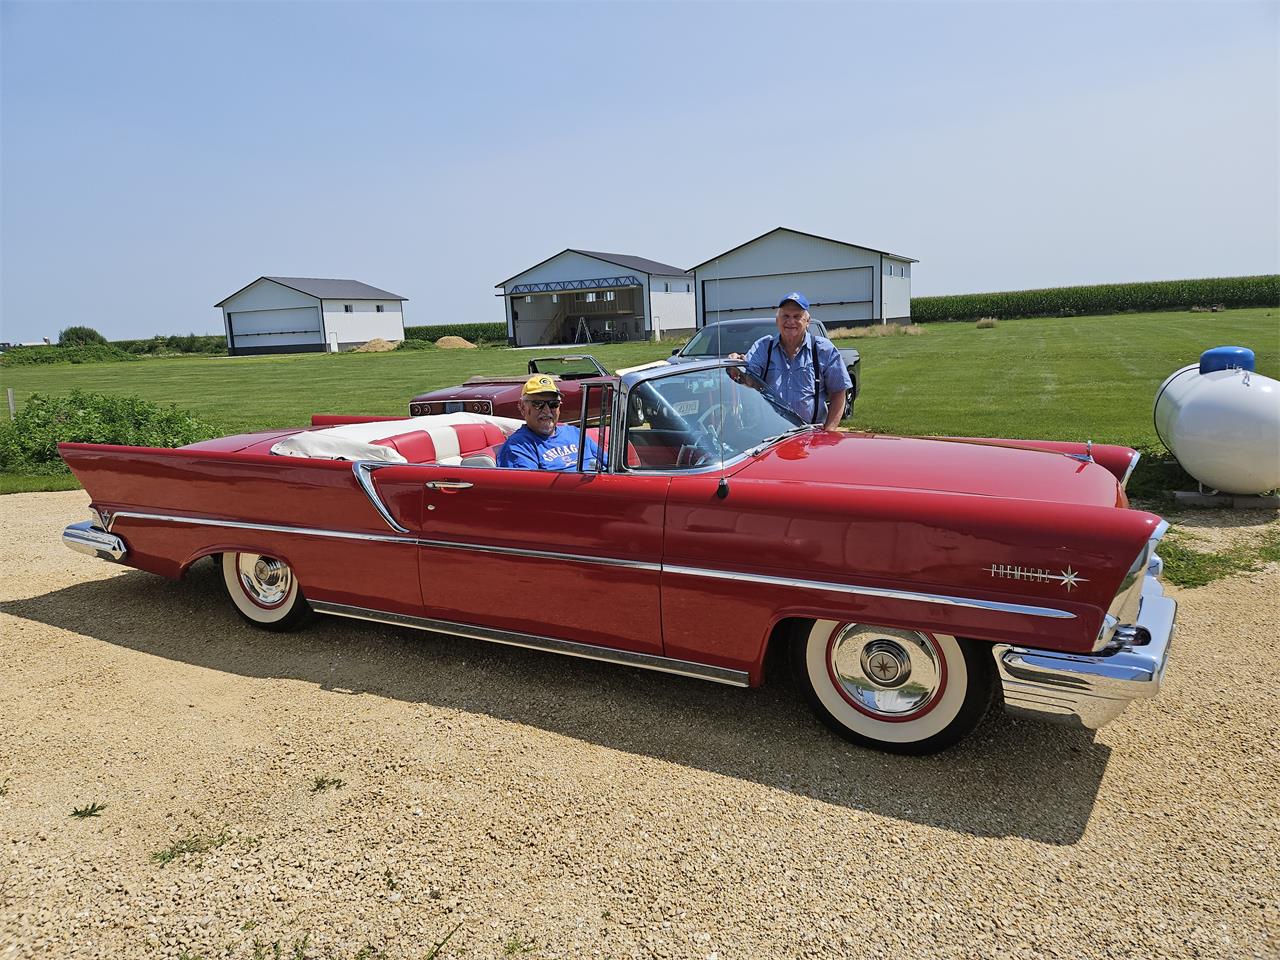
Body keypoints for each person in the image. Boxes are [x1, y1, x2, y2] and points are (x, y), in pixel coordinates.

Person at [729, 292, 851, 430]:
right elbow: (748, 379)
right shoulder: (763, 347)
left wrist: (828, 432)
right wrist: (736, 366)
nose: (790, 321)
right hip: (771, 437)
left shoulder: (824, 349)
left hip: (811, 435)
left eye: (797, 316)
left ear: (807, 321)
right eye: (785, 316)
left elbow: (839, 392)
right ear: (777, 321)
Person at [497, 374, 602, 470]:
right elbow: (528, 488)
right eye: (538, 404)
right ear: (523, 407)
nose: (547, 410)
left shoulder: (575, 433)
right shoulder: (518, 446)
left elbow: (610, 465)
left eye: (553, 404)